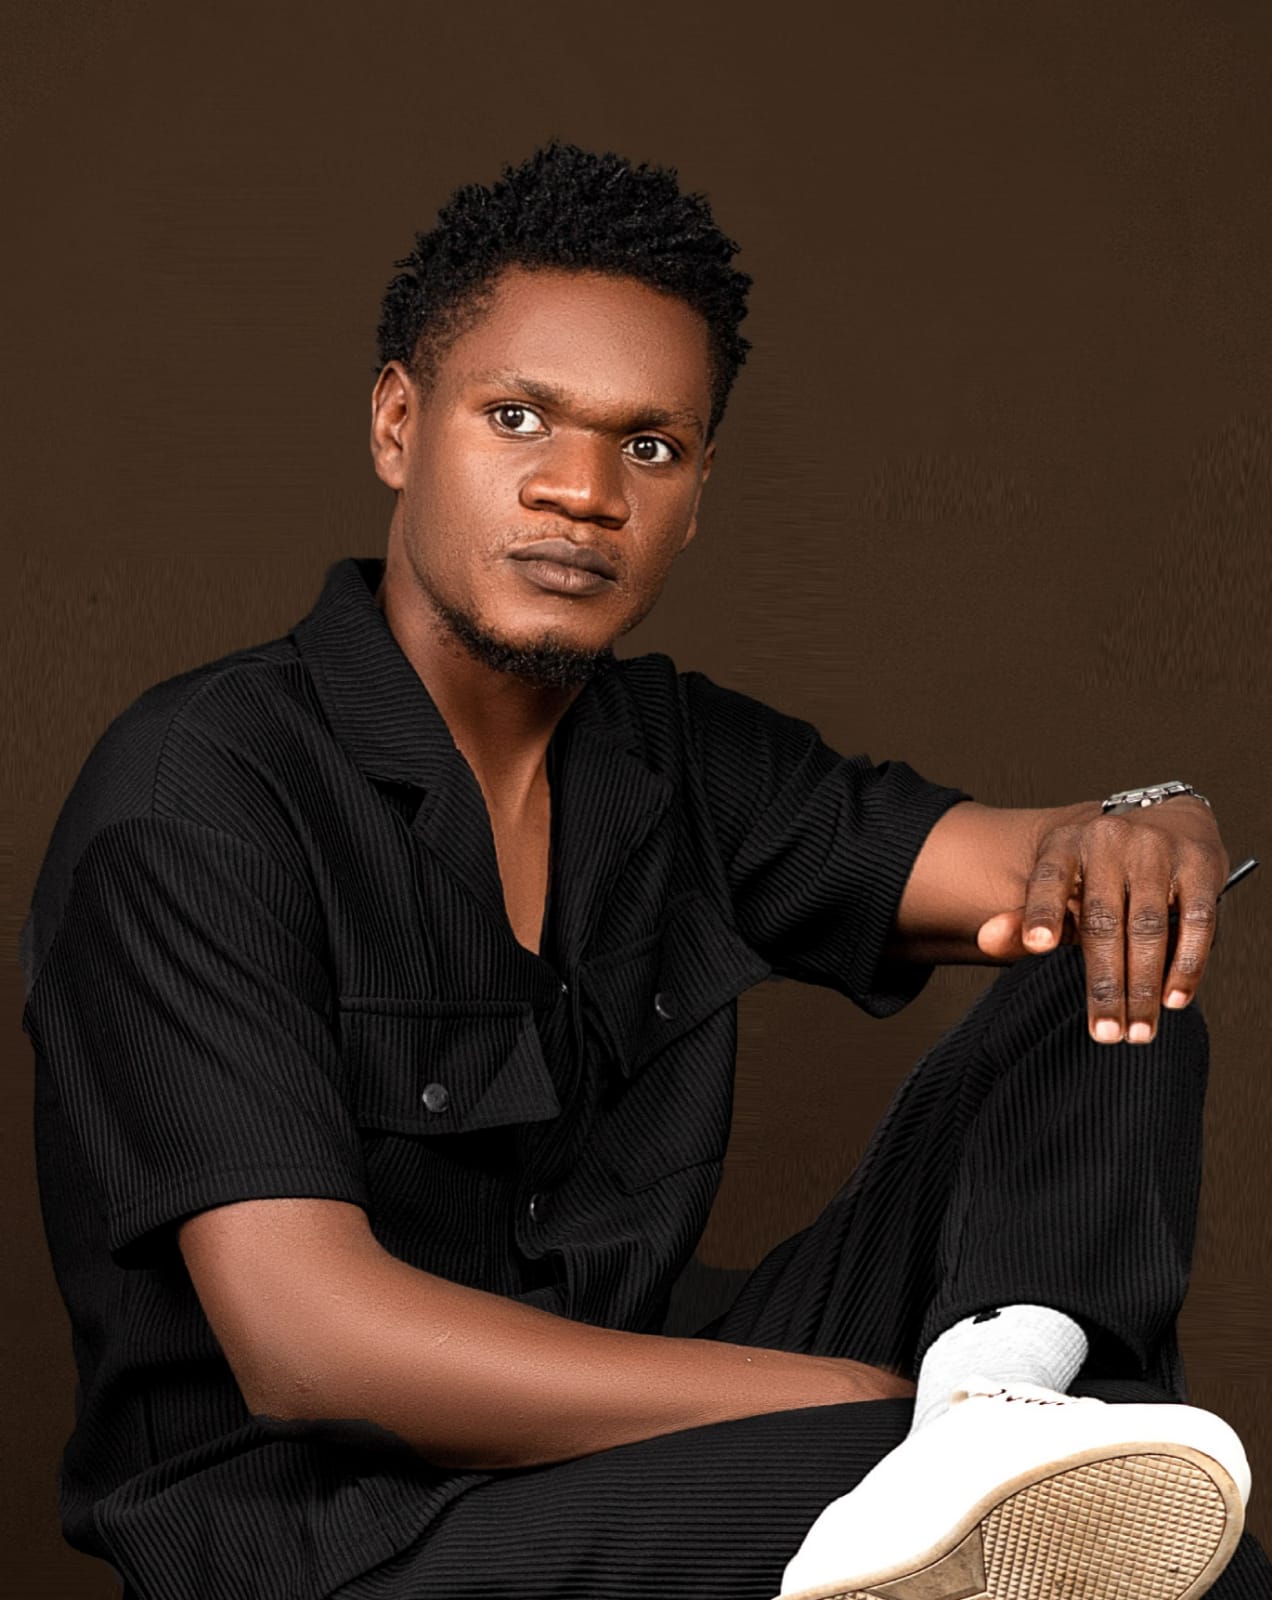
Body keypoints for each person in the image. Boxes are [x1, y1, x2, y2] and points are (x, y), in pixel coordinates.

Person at [21, 143, 1269, 1600]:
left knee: (1113, 955)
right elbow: (314, 1349)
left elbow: (1050, 868)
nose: (582, 491)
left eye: (650, 448)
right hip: (337, 1528)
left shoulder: (674, 754)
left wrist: (1157, 819)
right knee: (1149, 1544)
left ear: (698, 487)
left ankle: (1000, 1401)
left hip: (645, 1435)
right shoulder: (199, 793)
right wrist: (866, 1408)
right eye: (517, 418)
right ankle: (971, 1437)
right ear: (398, 424)